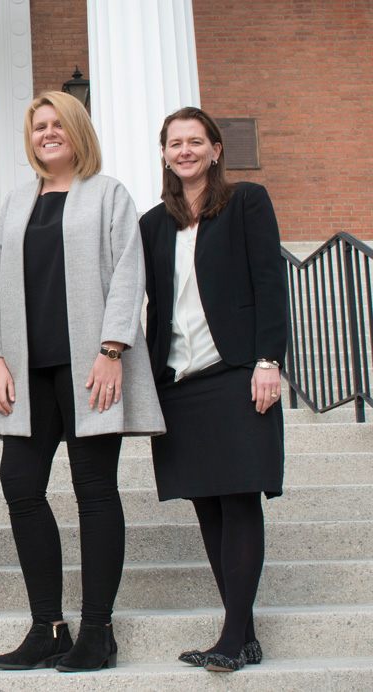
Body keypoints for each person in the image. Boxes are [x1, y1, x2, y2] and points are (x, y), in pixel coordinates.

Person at [0, 91, 165, 673]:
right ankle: (48, 627)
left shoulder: (107, 194)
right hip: (27, 369)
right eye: (38, 127)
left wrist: (113, 349)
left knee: (94, 489)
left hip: (89, 366)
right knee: (21, 484)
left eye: (58, 124)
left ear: (77, 130)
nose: (47, 134)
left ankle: (98, 632)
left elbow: (130, 271)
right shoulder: (15, 203)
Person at [140, 106, 287, 673]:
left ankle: (231, 636)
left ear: (216, 149)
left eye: (195, 141)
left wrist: (268, 360)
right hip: (179, 382)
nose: (185, 151)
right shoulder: (153, 224)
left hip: (237, 372)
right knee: (206, 504)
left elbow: (270, 285)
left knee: (239, 496)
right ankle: (242, 634)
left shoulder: (246, 202)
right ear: (164, 154)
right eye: (174, 143)